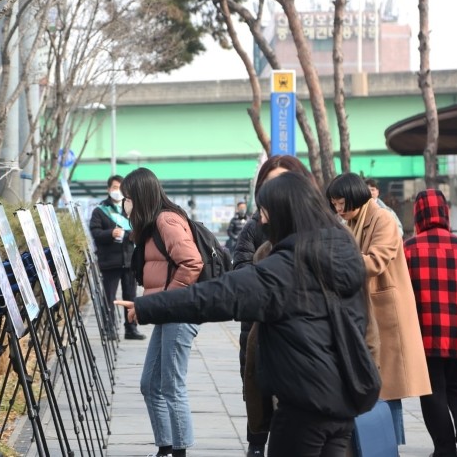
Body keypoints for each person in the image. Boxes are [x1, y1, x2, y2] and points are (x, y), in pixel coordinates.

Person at [118, 172, 374, 456]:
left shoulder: (286, 268)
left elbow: (219, 295)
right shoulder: (344, 252)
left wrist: (148, 306)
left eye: (265, 213)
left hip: (304, 405)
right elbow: (362, 323)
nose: (261, 221)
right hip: (345, 402)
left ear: (285, 213)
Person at [326, 172, 431, 448]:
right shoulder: (349, 222)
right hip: (365, 314)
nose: (338, 209)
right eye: (334, 204)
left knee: (387, 387)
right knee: (373, 385)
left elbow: (375, 261)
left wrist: (333, 258)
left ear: (355, 197)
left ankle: (386, 445)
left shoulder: (383, 219)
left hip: (386, 316)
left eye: (341, 203)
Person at [231, 154, 315, 457]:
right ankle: (256, 442)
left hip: (308, 355)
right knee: (257, 390)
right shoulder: (254, 227)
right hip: (257, 324)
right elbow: (239, 270)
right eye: (269, 183)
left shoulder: (324, 233)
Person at [119, 167, 202, 457]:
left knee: (171, 385)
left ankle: (179, 452)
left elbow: (192, 263)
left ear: (140, 196)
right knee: (150, 384)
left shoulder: (166, 220)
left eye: (127, 198)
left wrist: (167, 300)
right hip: (168, 312)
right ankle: (165, 448)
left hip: (180, 312)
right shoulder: (152, 224)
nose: (124, 204)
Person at [404, 189, 457, 457]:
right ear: (445, 212)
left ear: (418, 214)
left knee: (432, 391)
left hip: (425, 334)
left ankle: (445, 449)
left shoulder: (409, 249)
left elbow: (401, 291)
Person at [89, 175, 145, 341]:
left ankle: (131, 329)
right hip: (109, 262)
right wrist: (110, 233)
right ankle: (109, 329)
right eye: (114, 187)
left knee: (131, 297)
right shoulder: (100, 211)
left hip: (129, 261)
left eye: (121, 188)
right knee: (109, 298)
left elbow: (139, 229)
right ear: (108, 189)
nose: (117, 191)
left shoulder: (130, 208)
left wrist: (129, 234)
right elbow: (95, 232)